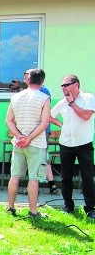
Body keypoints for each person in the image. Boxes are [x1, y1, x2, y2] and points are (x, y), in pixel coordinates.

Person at [5, 68, 51, 218]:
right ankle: (33, 211)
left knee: (15, 176)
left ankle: (10, 207)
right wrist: (29, 138)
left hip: (18, 143)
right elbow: (44, 123)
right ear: (42, 81)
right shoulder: (44, 98)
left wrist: (19, 137)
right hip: (36, 143)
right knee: (34, 178)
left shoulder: (16, 97)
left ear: (27, 80)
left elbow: (9, 121)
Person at [50, 74, 95, 218]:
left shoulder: (88, 98)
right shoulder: (62, 102)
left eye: (66, 85)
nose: (63, 88)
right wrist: (61, 124)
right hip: (66, 143)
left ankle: (90, 208)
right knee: (66, 177)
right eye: (62, 86)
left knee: (87, 177)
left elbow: (86, 116)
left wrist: (72, 104)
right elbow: (50, 115)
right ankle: (68, 205)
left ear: (76, 84)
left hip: (84, 143)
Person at [24, 69, 59, 195]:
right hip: (41, 130)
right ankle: (51, 184)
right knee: (42, 158)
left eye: (26, 78)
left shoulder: (40, 92)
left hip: (39, 131)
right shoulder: (43, 91)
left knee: (36, 159)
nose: (25, 80)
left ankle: (35, 188)